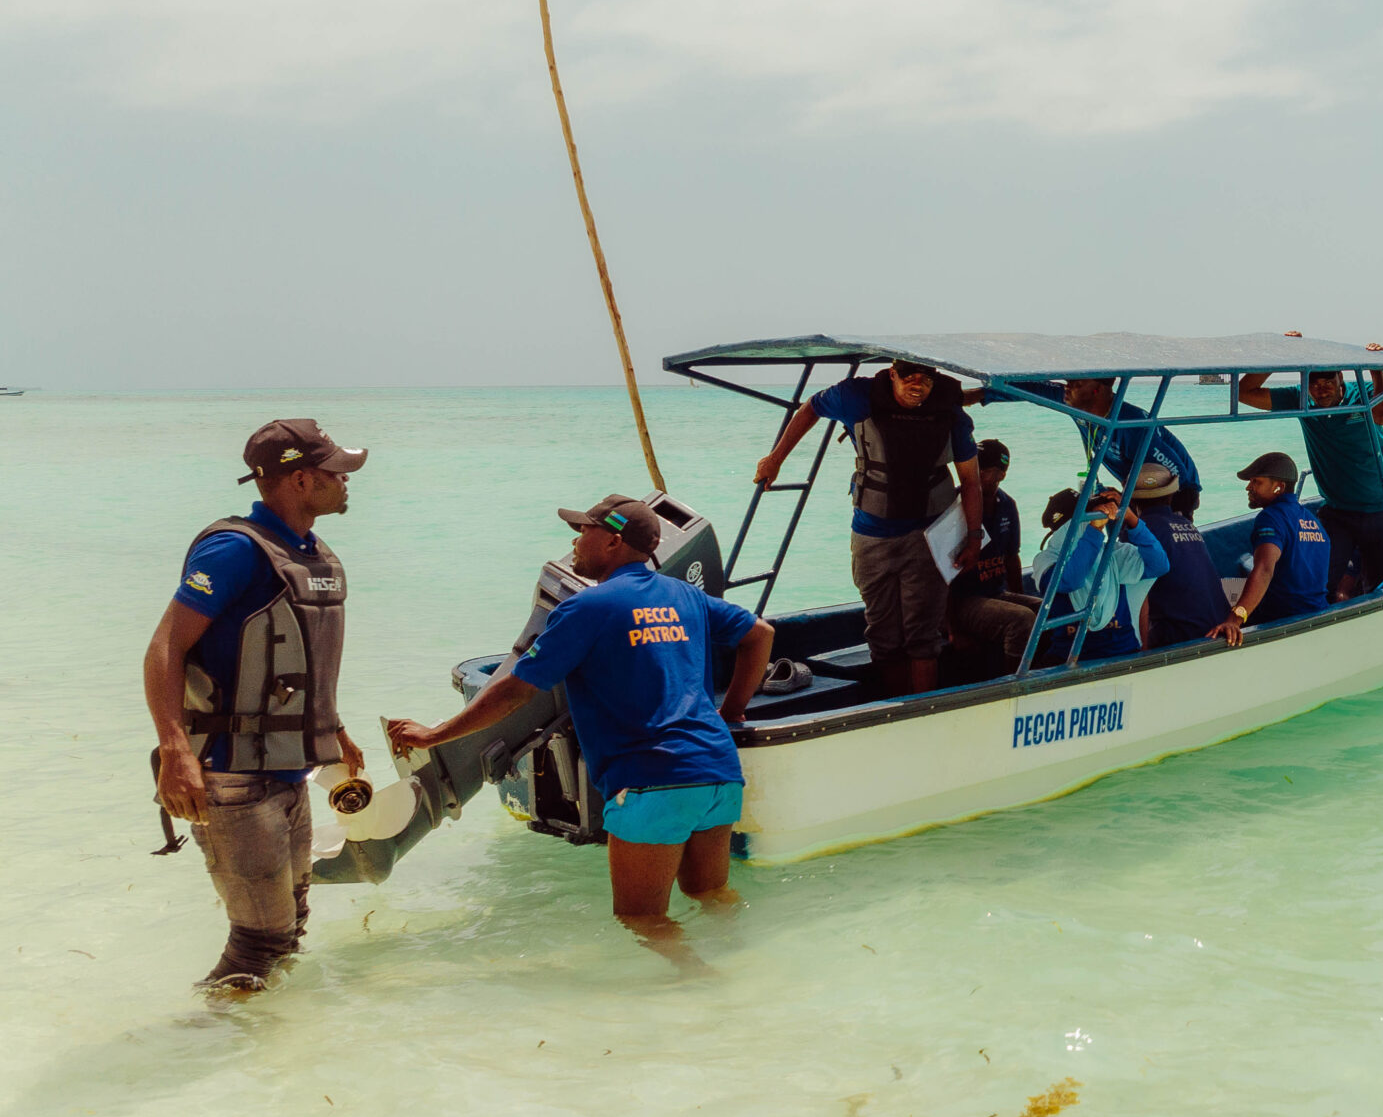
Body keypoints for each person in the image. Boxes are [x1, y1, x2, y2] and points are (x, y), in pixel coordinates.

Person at [387, 497, 773, 958]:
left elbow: (516, 690)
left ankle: (700, 984)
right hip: (718, 771)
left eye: (584, 531)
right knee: (710, 896)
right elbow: (760, 634)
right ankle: (746, 971)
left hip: (651, 781)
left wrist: (435, 735)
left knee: (642, 919)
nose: (574, 542)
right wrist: (731, 712)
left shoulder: (586, 608)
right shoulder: (686, 595)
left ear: (612, 542)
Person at [142, 419, 370, 994]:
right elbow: (165, 648)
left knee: (290, 927)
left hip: (289, 770)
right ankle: (198, 1033)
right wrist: (175, 750)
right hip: (232, 777)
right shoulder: (235, 550)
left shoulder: (309, 553)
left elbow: (296, 660)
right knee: (258, 942)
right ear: (300, 479)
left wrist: (333, 730)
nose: (346, 480)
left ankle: (265, 1041)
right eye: (336, 471)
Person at [754, 359, 981, 695]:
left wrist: (973, 537)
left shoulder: (949, 412)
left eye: (925, 379)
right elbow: (811, 408)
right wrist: (776, 459)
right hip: (872, 536)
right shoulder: (857, 396)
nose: (917, 384)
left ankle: (922, 709)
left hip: (928, 537)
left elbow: (971, 481)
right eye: (908, 376)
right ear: (892, 375)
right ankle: (893, 707)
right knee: (883, 635)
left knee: (922, 637)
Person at [1239, 352, 1383, 600]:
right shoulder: (1300, 398)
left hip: (1382, 507)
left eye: (1328, 382)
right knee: (1319, 582)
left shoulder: (1363, 392)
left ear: (1341, 378)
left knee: (1381, 587)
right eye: (1314, 384)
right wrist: (1280, 353)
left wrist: (1377, 371)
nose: (1321, 390)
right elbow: (1243, 393)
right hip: (1337, 510)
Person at [997, 377, 1204, 510]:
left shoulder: (1131, 427)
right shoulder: (1076, 404)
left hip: (1176, 494)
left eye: (1076, 384)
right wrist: (986, 393)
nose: (1067, 387)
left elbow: (1179, 475)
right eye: (1068, 381)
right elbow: (1033, 390)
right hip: (1138, 491)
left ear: (1097, 389)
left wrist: (1129, 501)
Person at [1035, 483, 1168, 661]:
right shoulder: (1045, 561)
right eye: (1089, 516)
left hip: (1123, 653)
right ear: (1068, 526)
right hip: (1070, 659)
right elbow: (1071, 580)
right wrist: (1094, 530)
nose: (1099, 518)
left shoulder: (1112, 553)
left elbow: (1159, 565)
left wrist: (1132, 520)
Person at [1208, 452, 1329, 645]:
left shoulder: (1271, 517)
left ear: (1278, 487)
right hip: (1318, 613)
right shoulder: (1313, 521)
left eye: (1256, 482)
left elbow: (1265, 568)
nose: (1248, 487)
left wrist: (1235, 619)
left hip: (1282, 619)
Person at [946, 437, 1037, 672]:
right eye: (973, 466)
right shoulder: (952, 505)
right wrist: (952, 629)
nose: (975, 473)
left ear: (1001, 475)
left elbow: (1012, 557)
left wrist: (1018, 596)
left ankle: (1045, 670)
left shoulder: (1007, 505)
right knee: (1021, 619)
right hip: (963, 600)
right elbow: (939, 574)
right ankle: (1013, 683)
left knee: (1046, 609)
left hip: (995, 592)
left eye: (984, 469)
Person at [1133, 461, 1227, 647]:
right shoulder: (1186, 524)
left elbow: (1138, 593)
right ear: (1171, 495)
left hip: (1183, 634)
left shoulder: (1139, 531)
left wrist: (1143, 650)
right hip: (1221, 624)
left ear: (1132, 500)